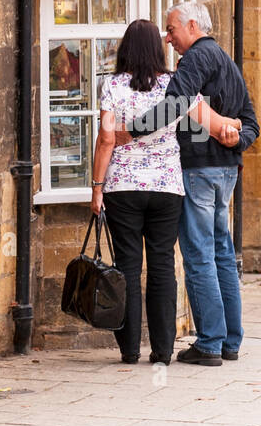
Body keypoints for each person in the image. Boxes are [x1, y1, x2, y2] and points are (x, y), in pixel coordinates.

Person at [91, 19, 238, 365]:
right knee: (161, 266)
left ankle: (129, 350)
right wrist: (238, 128)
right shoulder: (174, 84)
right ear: (157, 50)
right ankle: (162, 352)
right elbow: (210, 123)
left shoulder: (112, 85)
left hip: (122, 187)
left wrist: (97, 189)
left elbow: (107, 139)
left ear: (125, 48)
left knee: (127, 265)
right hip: (167, 187)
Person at [120, 2, 259, 366]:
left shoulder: (197, 58)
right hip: (225, 172)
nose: (168, 39)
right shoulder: (226, 61)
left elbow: (174, 105)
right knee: (222, 254)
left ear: (192, 26)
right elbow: (251, 122)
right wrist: (237, 140)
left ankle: (210, 343)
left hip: (198, 170)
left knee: (199, 257)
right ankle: (230, 341)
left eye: (172, 30)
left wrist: (131, 132)